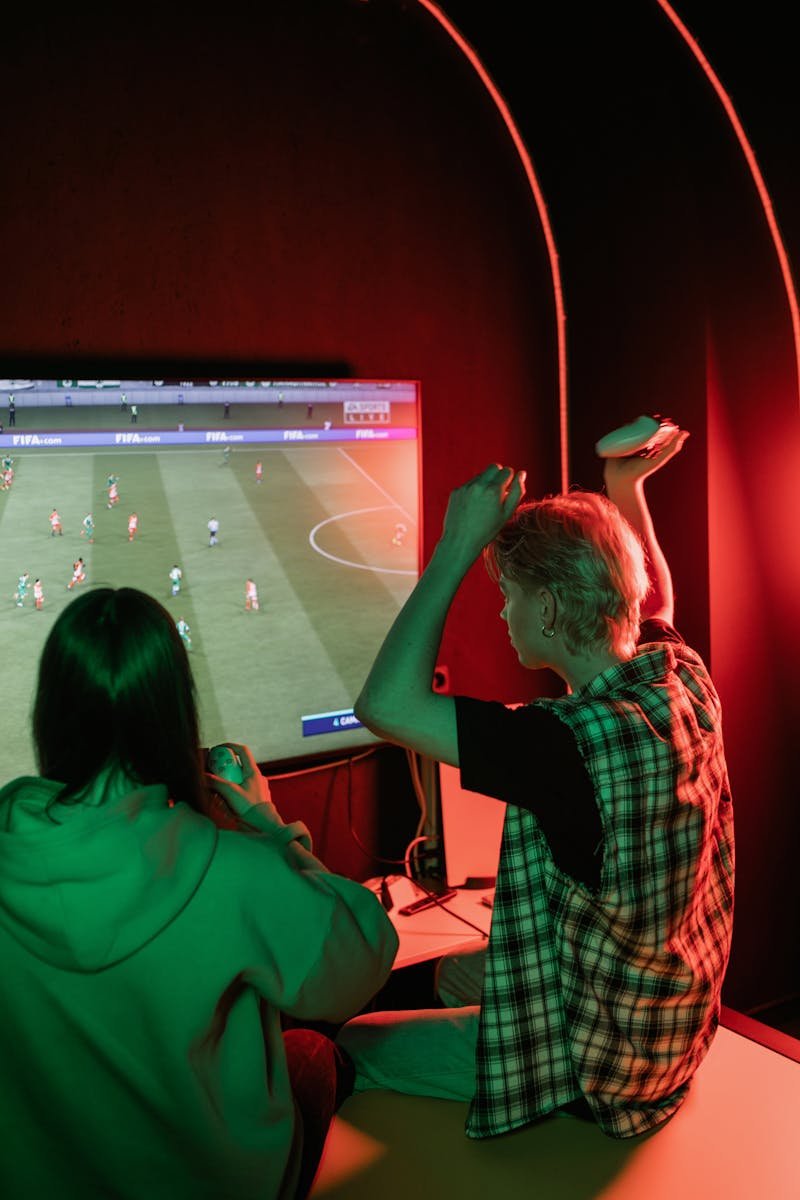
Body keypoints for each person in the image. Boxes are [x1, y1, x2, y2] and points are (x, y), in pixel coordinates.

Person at [338, 425, 734, 1142]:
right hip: (671, 1014)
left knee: (354, 1043)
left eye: (509, 596)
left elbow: (384, 705)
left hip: (605, 1062)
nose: (500, 612)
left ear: (548, 610)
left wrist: (459, 543)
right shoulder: (678, 677)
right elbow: (657, 603)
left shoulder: (561, 748)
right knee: (450, 973)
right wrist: (625, 490)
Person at [0, 587, 397, 1199]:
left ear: (50, 710)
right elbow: (366, 954)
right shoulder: (230, 868)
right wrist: (269, 827)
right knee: (316, 1054)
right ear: (173, 717)